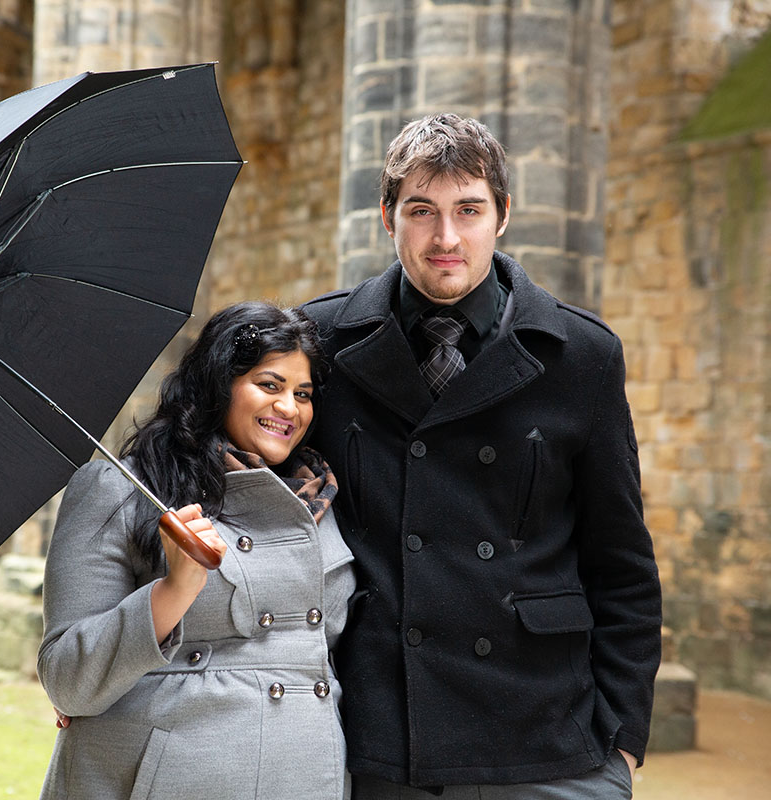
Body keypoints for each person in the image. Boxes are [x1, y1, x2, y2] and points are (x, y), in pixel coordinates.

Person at [302, 113, 662, 799]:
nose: (446, 237)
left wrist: (621, 744)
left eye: (468, 210)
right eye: (422, 211)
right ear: (387, 217)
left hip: (546, 740)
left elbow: (621, 563)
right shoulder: (320, 342)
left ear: (501, 217)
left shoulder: (582, 356)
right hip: (377, 737)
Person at [37, 301, 356, 799]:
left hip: (304, 770)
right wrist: (174, 589)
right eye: (269, 385)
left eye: (303, 393)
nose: (289, 408)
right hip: (177, 771)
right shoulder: (121, 489)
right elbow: (68, 680)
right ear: (216, 384)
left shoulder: (322, 493)